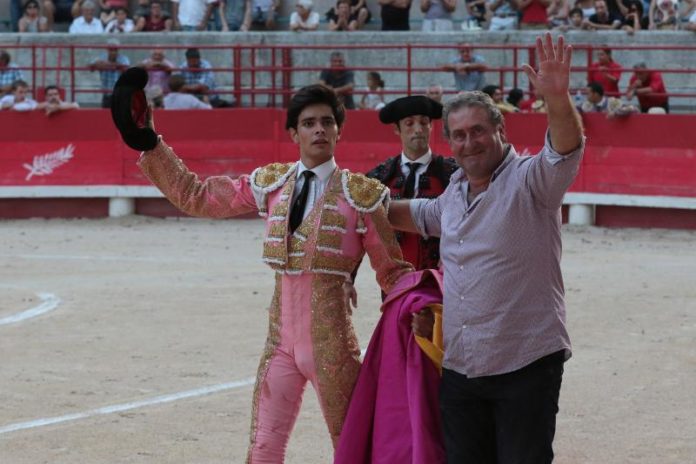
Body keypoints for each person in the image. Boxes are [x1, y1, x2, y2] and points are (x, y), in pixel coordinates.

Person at [110, 79, 414, 462]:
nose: (319, 129)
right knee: (263, 447)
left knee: (353, 447)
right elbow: (199, 197)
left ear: (338, 130)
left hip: (333, 348)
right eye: (308, 123)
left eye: (326, 121)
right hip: (278, 347)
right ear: (293, 133)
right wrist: (151, 145)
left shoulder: (362, 196)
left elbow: (392, 271)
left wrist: (425, 309)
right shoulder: (272, 185)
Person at [387, 33, 585, 463]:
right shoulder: (454, 194)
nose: (468, 143)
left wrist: (557, 99)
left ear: (501, 130)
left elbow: (564, 149)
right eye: (457, 135)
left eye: (478, 131)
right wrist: (358, 201)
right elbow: (416, 214)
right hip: (461, 365)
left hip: (525, 364)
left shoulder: (532, 182)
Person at [366, 96, 458, 271]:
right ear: (396, 129)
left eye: (424, 123)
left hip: (442, 278)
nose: (418, 129)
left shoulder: (452, 173)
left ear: (431, 126)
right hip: (393, 280)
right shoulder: (379, 176)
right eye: (409, 124)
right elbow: (359, 228)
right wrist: (348, 278)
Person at [89, 39, 130, 108]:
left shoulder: (123, 58)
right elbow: (91, 67)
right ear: (107, 49)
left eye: (115, 50)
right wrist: (99, 65)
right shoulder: (102, 57)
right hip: (106, 93)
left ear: (118, 50)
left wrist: (107, 64)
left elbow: (126, 69)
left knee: (119, 115)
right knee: (105, 115)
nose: (113, 52)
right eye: (111, 50)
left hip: (119, 94)